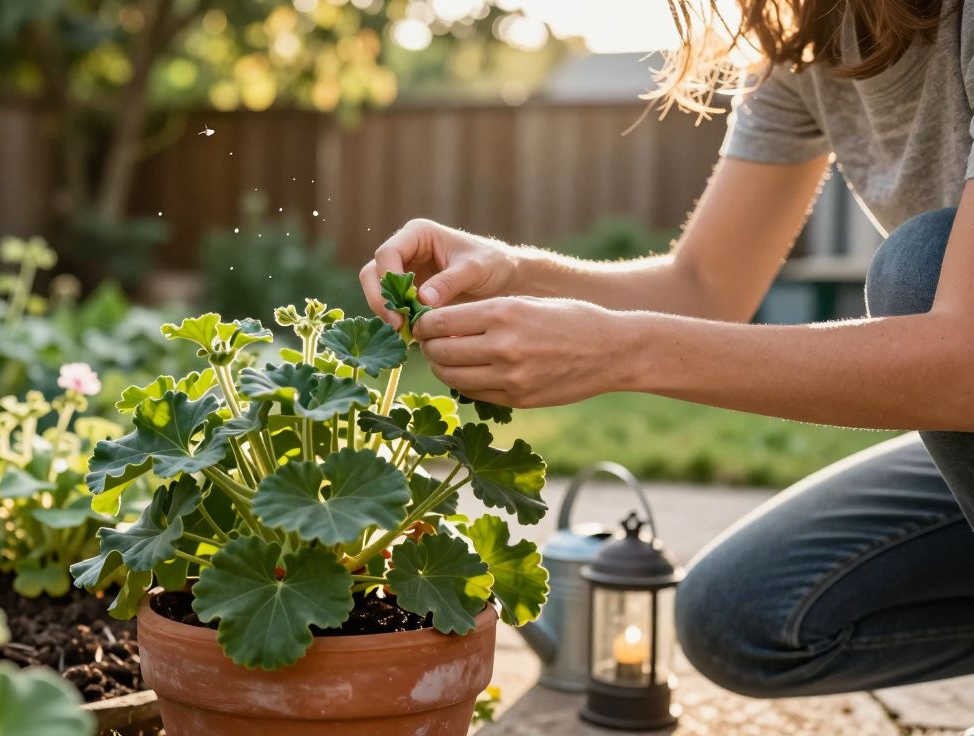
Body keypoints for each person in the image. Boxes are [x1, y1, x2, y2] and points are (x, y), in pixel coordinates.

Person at [360, 0, 974, 698]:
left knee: (920, 267)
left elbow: (965, 362)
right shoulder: (807, 37)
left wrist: (622, 352)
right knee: (742, 613)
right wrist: (511, 269)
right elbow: (706, 285)